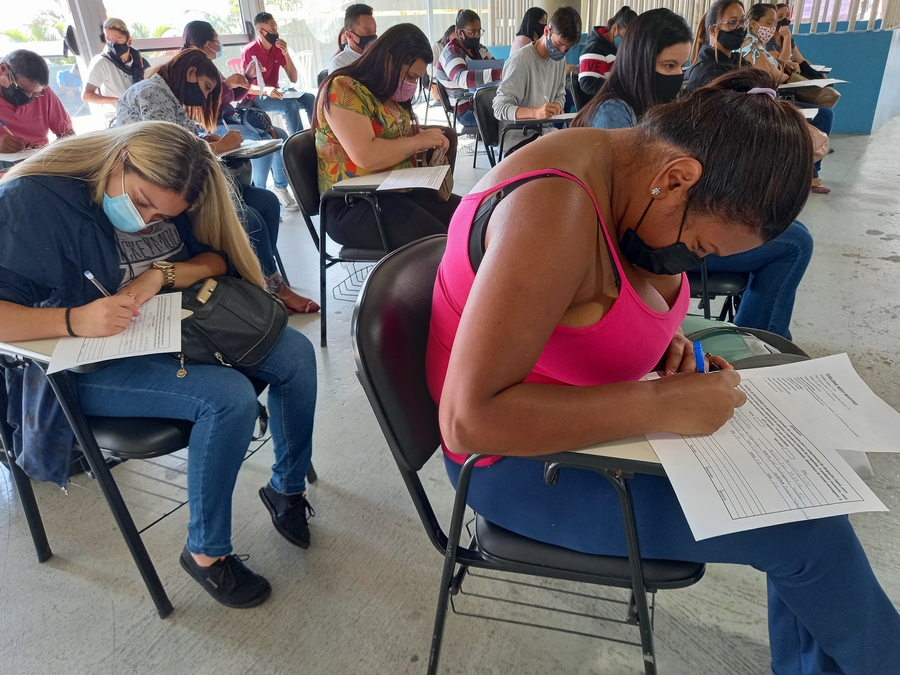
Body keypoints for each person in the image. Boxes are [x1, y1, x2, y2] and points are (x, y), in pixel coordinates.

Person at [425, 64, 900, 675]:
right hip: (514, 469)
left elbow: (587, 301)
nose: (688, 260)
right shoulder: (554, 209)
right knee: (809, 537)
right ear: (677, 178)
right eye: (700, 248)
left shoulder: (626, 168)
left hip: (578, 431)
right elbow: (468, 421)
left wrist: (658, 339)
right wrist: (662, 405)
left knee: (805, 505)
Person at [0, 121, 318, 608]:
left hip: (168, 329)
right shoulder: (33, 201)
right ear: (121, 158)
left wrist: (159, 275)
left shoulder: (176, 194)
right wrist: (74, 318)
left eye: (162, 215)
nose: (147, 221)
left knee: (295, 354)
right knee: (228, 398)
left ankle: (287, 490)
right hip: (76, 365)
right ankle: (206, 554)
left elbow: (215, 260)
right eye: (143, 202)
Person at [573, 12, 813, 339]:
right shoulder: (616, 117)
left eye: (681, 67)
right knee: (795, 244)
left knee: (790, 233)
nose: (678, 76)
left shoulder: (660, 111)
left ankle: (764, 341)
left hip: (675, 221)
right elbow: (628, 205)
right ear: (638, 61)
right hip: (662, 231)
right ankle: (764, 340)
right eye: (669, 66)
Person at [117, 48, 319, 313]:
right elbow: (171, 157)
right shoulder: (150, 93)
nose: (203, 96)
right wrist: (219, 147)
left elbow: (182, 141)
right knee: (250, 219)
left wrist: (204, 140)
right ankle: (272, 287)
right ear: (191, 73)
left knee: (268, 201)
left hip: (189, 182)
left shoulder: (168, 97)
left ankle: (259, 280)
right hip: (165, 188)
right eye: (206, 87)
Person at [314, 24, 461, 251]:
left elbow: (393, 135)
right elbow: (367, 155)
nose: (411, 85)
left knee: (467, 221)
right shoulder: (343, 88)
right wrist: (418, 141)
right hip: (352, 205)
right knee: (441, 244)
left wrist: (423, 138)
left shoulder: (387, 93)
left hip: (394, 192)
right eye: (410, 77)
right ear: (388, 60)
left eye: (416, 79)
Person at [687, 0, 833, 194]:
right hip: (727, 159)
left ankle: (799, 177)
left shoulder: (735, 63)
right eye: (732, 23)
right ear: (713, 30)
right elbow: (728, 124)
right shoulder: (709, 71)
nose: (739, 28)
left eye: (741, 22)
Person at [181, 21, 298, 213]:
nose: (219, 45)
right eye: (217, 40)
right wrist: (227, 84)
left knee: (281, 134)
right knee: (264, 138)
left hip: (230, 117)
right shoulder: (191, 68)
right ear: (208, 43)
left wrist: (248, 76)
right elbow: (203, 102)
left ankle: (279, 186)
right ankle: (258, 191)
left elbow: (231, 97)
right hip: (211, 125)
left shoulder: (207, 64)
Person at [493, 6, 581, 153]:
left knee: (577, 148)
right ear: (547, 31)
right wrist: (535, 113)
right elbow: (499, 108)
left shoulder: (559, 60)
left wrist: (556, 107)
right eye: (559, 44)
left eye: (568, 48)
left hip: (542, 133)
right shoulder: (521, 61)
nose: (562, 51)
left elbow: (560, 94)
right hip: (518, 141)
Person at [240, 12, 315, 135]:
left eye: (276, 28)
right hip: (259, 96)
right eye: (272, 29)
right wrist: (266, 90)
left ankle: (316, 136)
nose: (276, 32)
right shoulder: (249, 51)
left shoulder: (277, 49)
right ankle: (299, 142)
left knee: (310, 98)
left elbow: (294, 78)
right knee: (291, 105)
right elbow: (246, 88)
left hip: (278, 91)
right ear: (261, 32)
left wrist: (286, 53)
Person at [435, 10, 503, 129]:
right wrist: (499, 73)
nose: (477, 36)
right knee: (504, 121)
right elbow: (462, 79)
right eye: (472, 32)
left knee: (515, 114)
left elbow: (496, 65)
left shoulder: (479, 49)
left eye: (479, 31)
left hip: (485, 103)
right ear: (460, 33)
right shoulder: (451, 53)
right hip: (465, 111)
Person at [0, 50, 74, 153]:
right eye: (22, 90)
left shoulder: (44, 93)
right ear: (3, 69)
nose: (28, 97)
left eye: (35, 93)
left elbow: (67, 134)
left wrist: (46, 151)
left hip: (40, 162)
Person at [82, 18, 149, 126]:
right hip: (117, 118)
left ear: (129, 41)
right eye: (109, 39)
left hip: (141, 114)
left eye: (118, 39)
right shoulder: (101, 62)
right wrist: (118, 101)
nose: (113, 44)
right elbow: (87, 95)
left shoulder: (141, 62)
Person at [578, 6, 637, 98]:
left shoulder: (617, 48)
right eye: (625, 36)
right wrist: (619, 87)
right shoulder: (594, 49)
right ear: (614, 29)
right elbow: (587, 84)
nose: (627, 42)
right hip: (602, 105)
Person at [328, 4, 377, 74]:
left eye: (374, 31)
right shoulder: (340, 63)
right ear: (350, 35)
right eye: (368, 32)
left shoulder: (379, 56)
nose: (373, 37)